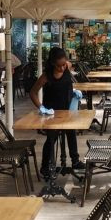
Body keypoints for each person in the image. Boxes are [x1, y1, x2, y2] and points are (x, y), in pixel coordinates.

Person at [29, 47, 84, 179]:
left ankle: (75, 161)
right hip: (52, 114)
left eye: (64, 64)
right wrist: (41, 107)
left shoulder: (68, 67)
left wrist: (74, 92)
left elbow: (68, 84)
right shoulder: (46, 76)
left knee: (71, 134)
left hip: (68, 111)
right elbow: (33, 93)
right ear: (53, 63)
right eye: (59, 66)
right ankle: (45, 167)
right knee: (51, 139)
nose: (62, 68)